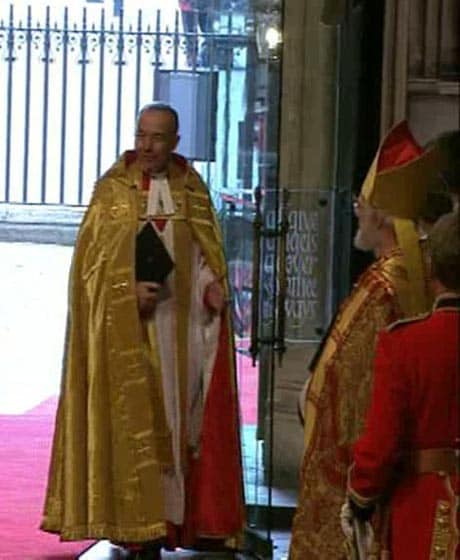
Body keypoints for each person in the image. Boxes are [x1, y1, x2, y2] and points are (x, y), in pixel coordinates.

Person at [41, 103, 245, 559]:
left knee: (177, 424)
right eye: (141, 135)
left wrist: (212, 289)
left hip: (181, 332)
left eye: (157, 138)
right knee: (136, 426)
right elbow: (87, 273)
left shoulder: (190, 188)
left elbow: (200, 257)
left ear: (174, 142)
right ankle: (137, 528)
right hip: (128, 337)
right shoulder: (112, 192)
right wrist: (125, 291)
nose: (147, 146)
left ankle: (176, 521)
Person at [289, 121, 438, 559]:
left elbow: (346, 387)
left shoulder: (381, 286)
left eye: (365, 200)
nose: (356, 207)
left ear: (384, 215)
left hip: (373, 474)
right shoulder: (428, 272)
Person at [343, 210, 459, 560]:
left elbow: (382, 443)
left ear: (431, 271)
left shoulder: (407, 344)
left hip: (425, 510)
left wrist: (359, 496)